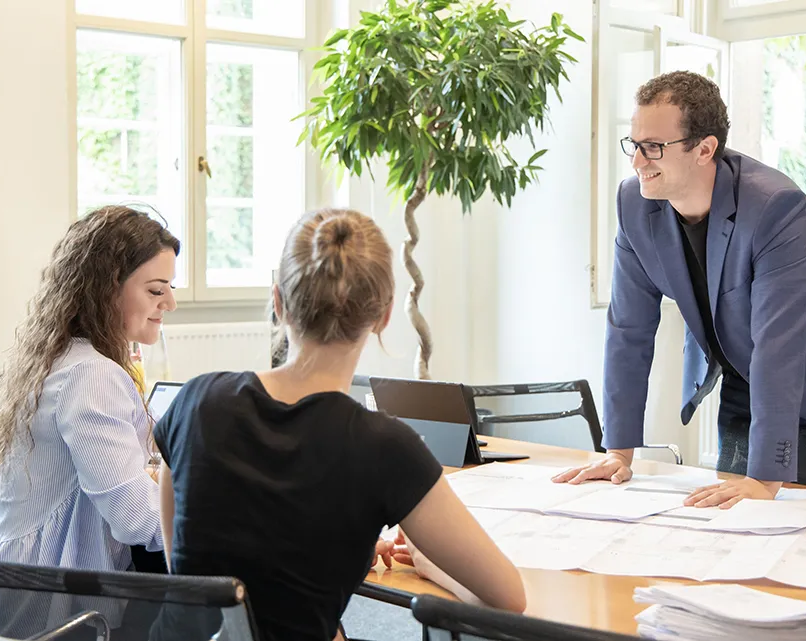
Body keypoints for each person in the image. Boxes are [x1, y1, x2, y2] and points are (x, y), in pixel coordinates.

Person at [153, 208, 526, 641]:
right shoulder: (386, 448)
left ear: (278, 302)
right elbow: (509, 599)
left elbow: (187, 573)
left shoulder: (193, 402)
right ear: (385, 315)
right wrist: (431, 566)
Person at [553, 71, 806, 508]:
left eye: (654, 147)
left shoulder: (776, 206)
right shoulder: (634, 203)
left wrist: (764, 479)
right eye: (634, 144)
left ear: (705, 149)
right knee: (733, 523)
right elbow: (629, 329)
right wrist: (618, 452)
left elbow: (780, 344)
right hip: (745, 381)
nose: (638, 161)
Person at [0, 205, 178, 637]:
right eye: (156, 290)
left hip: (1, 582)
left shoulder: (60, 356)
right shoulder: (92, 373)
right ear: (108, 288)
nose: (169, 303)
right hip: (49, 604)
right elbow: (135, 520)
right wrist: (197, 510)